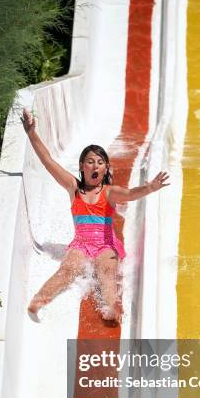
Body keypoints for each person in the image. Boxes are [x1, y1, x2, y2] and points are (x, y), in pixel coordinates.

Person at [21, 108, 170, 323]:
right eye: (90, 161)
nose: (95, 165)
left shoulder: (109, 192)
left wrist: (149, 188)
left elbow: (129, 194)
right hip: (80, 244)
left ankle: (111, 308)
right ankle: (39, 300)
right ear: (82, 166)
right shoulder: (73, 187)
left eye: (100, 162)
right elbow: (48, 161)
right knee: (69, 268)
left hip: (105, 245)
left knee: (106, 271)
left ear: (105, 168)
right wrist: (31, 133)